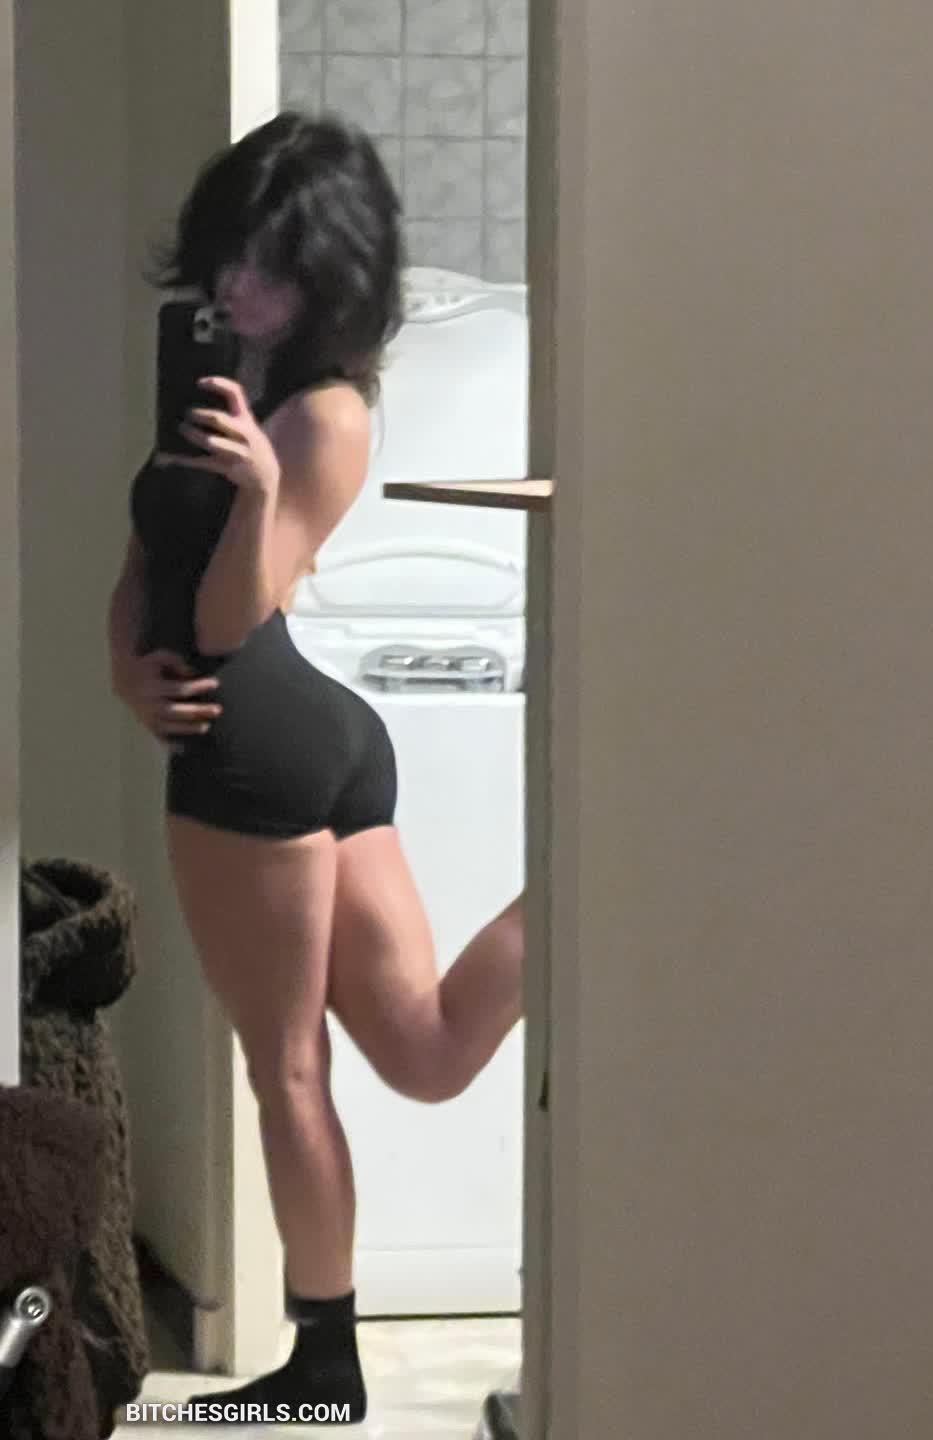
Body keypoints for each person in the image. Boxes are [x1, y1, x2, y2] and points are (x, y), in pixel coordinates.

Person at [107, 111, 526, 1423]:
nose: (241, 285)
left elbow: (232, 619)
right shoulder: (215, 375)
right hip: (305, 734)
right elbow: (146, 569)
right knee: (427, 1053)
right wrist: (124, 668)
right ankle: (582, 907)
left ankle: (323, 1371)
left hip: (255, 751)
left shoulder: (327, 416)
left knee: (285, 1070)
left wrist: (251, 492)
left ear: (332, 275)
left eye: (275, 267)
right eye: (233, 252)